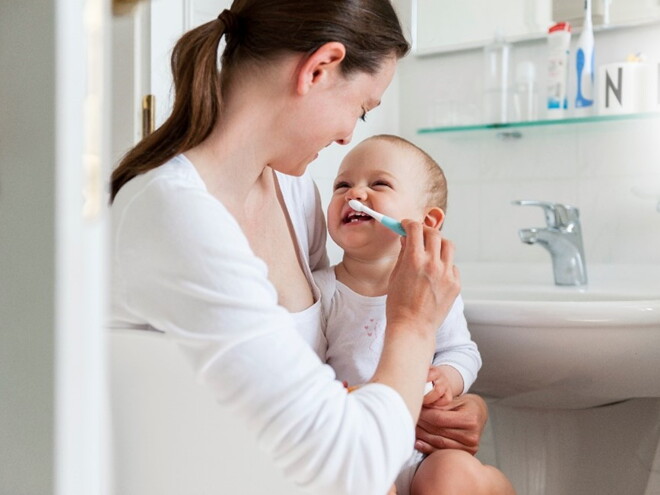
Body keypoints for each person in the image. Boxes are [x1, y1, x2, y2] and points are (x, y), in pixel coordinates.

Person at [109, 1, 491, 494]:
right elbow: (347, 467)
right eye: (361, 108)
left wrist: (444, 410)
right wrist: (414, 325)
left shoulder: (294, 194)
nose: (348, 135)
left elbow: (315, 382)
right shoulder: (174, 212)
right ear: (320, 68)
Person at [315, 134, 515, 495]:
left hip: (423, 452)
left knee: (455, 473)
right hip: (361, 446)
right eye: (341, 185)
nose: (354, 194)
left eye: (379, 184)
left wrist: (448, 380)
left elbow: (463, 352)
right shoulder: (322, 291)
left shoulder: (436, 289)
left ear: (428, 221)